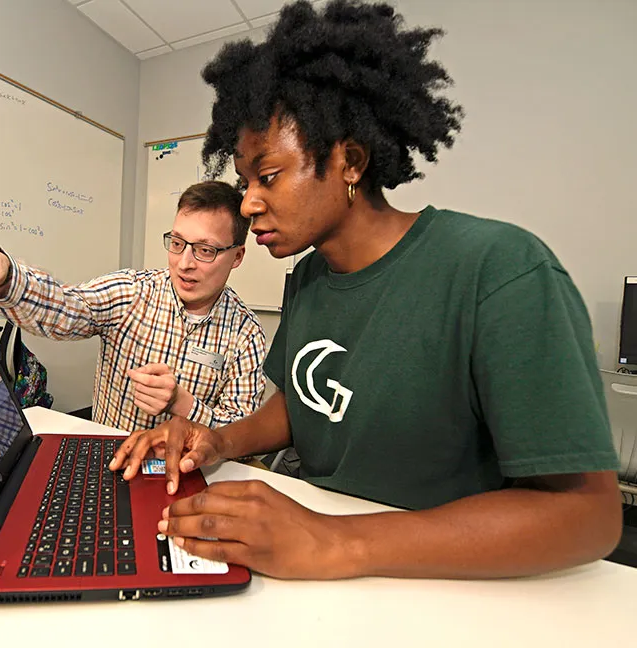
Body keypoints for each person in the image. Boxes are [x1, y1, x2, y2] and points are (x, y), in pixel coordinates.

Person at [110, 0, 622, 580]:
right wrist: (219, 441)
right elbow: (303, 405)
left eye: (268, 176)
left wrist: (336, 542)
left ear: (350, 161)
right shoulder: (308, 276)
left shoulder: (499, 269)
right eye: (245, 181)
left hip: (438, 581)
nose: (248, 203)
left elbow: (589, 515)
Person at [0, 181, 267, 432]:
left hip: (189, 475)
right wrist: (2, 276)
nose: (184, 262)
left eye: (205, 250)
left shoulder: (246, 334)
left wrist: (183, 404)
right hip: (110, 461)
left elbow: (241, 431)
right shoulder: (134, 292)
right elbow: (67, 308)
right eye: (176, 243)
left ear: (237, 256)